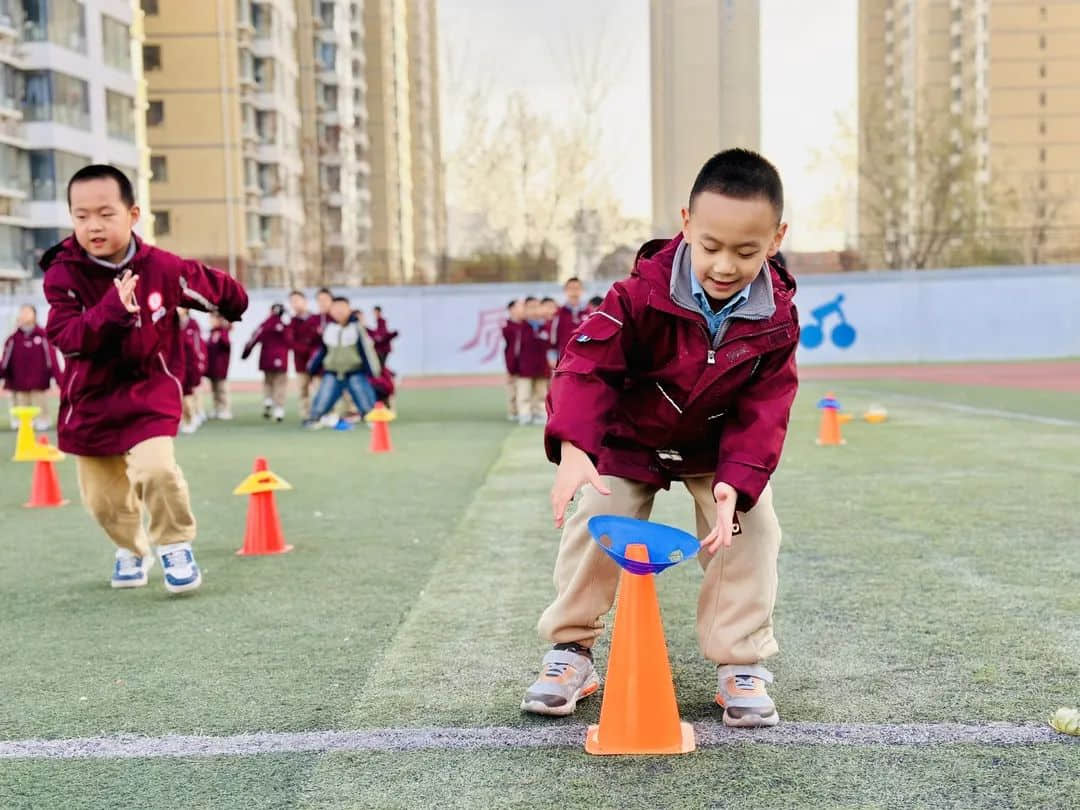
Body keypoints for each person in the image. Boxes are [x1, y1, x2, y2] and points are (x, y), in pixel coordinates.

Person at [522, 149, 798, 729]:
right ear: (686, 225)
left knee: (751, 526)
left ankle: (739, 662)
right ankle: (571, 650)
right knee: (597, 510)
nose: (725, 264)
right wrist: (574, 447)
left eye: (746, 251)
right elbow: (584, 366)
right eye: (711, 246)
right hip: (633, 437)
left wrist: (735, 484)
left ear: (775, 239)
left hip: (715, 447)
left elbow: (765, 406)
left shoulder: (777, 318)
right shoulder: (638, 295)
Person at [42, 164, 247, 593]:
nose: (93, 225)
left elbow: (211, 288)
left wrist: (231, 301)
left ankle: (175, 544)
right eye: (81, 216)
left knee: (155, 469)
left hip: (147, 391)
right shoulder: (63, 273)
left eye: (105, 213)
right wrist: (112, 312)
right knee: (103, 502)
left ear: (133, 214)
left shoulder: (162, 268)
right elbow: (66, 337)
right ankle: (133, 549)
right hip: (90, 400)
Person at [304, 296, 389, 428]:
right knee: (323, 397)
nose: (339, 311)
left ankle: (372, 417)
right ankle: (315, 418)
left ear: (349, 309)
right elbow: (322, 351)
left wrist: (374, 371)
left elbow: (367, 351)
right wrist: (312, 368)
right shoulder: (329, 329)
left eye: (342, 308)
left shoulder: (357, 329)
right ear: (331, 310)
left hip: (354, 372)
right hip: (333, 372)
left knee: (364, 396)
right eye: (336, 308)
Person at [1, 305, 60, 431]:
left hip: (39, 382)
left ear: (34, 315)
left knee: (40, 405)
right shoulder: (12, 339)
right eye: (22, 312)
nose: (24, 315)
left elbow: (52, 359)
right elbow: (5, 361)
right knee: (21, 408)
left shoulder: (44, 336)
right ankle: (20, 423)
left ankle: (43, 421)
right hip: (18, 383)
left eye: (27, 312)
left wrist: (58, 378)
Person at [241, 303, 289, 422]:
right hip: (282, 359)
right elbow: (292, 341)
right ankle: (279, 410)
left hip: (266, 358)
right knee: (280, 384)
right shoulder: (285, 326)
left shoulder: (264, 324)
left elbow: (254, 338)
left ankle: (268, 400)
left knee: (268, 382)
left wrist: (245, 354)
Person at [514, 297, 552, 426]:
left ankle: (540, 413)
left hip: (541, 367)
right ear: (524, 310)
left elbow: (548, 345)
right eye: (530, 307)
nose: (534, 311)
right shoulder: (520, 327)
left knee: (541, 393)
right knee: (524, 393)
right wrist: (514, 366)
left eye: (536, 307)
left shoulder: (546, 326)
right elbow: (515, 349)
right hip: (524, 368)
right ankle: (524, 414)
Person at [287, 290, 321, 420]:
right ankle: (306, 415)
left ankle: (321, 413)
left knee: (320, 389)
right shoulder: (291, 322)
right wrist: (304, 349)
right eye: (292, 302)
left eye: (296, 300)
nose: (294, 304)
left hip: (316, 362)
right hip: (300, 363)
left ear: (305, 301)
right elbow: (289, 341)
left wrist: (313, 353)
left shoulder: (316, 319)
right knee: (303, 391)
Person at [177, 308, 207, 434]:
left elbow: (197, 344)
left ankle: (194, 416)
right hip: (177, 365)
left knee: (190, 393)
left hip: (191, 364)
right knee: (178, 394)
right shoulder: (172, 322)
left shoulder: (193, 324)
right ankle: (183, 419)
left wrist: (200, 361)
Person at [551, 277, 587, 361]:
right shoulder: (559, 313)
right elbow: (554, 336)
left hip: (584, 358)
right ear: (565, 291)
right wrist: (552, 354)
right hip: (564, 358)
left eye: (577, 288)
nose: (574, 291)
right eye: (571, 288)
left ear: (582, 290)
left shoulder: (589, 312)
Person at [205, 313, 233, 420]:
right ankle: (217, 408)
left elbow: (226, 345)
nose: (211, 321)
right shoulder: (212, 333)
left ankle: (225, 409)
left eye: (212, 319)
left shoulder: (223, 332)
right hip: (212, 367)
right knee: (214, 390)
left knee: (222, 389)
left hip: (221, 367)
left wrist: (225, 328)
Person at [502, 299, 525, 422]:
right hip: (512, 362)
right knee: (512, 389)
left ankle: (523, 410)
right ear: (511, 310)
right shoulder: (507, 327)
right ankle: (513, 411)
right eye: (519, 307)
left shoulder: (525, 325)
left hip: (524, 363)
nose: (522, 309)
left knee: (523, 389)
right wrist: (510, 365)